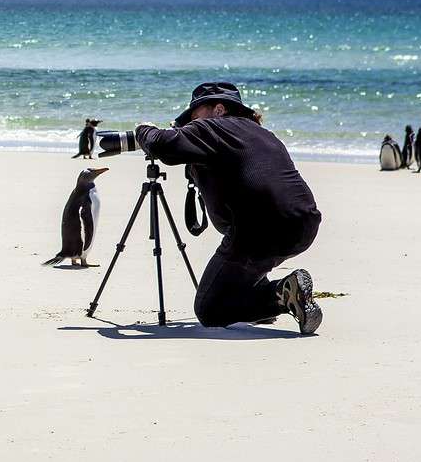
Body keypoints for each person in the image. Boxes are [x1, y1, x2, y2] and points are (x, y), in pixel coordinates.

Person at [135, 82, 323, 335]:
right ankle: (264, 299)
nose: (191, 124)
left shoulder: (213, 127)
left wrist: (143, 130)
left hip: (257, 229)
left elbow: (163, 146)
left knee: (210, 310)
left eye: (194, 116)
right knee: (247, 264)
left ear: (219, 109)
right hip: (303, 224)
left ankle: (280, 295)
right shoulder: (263, 134)